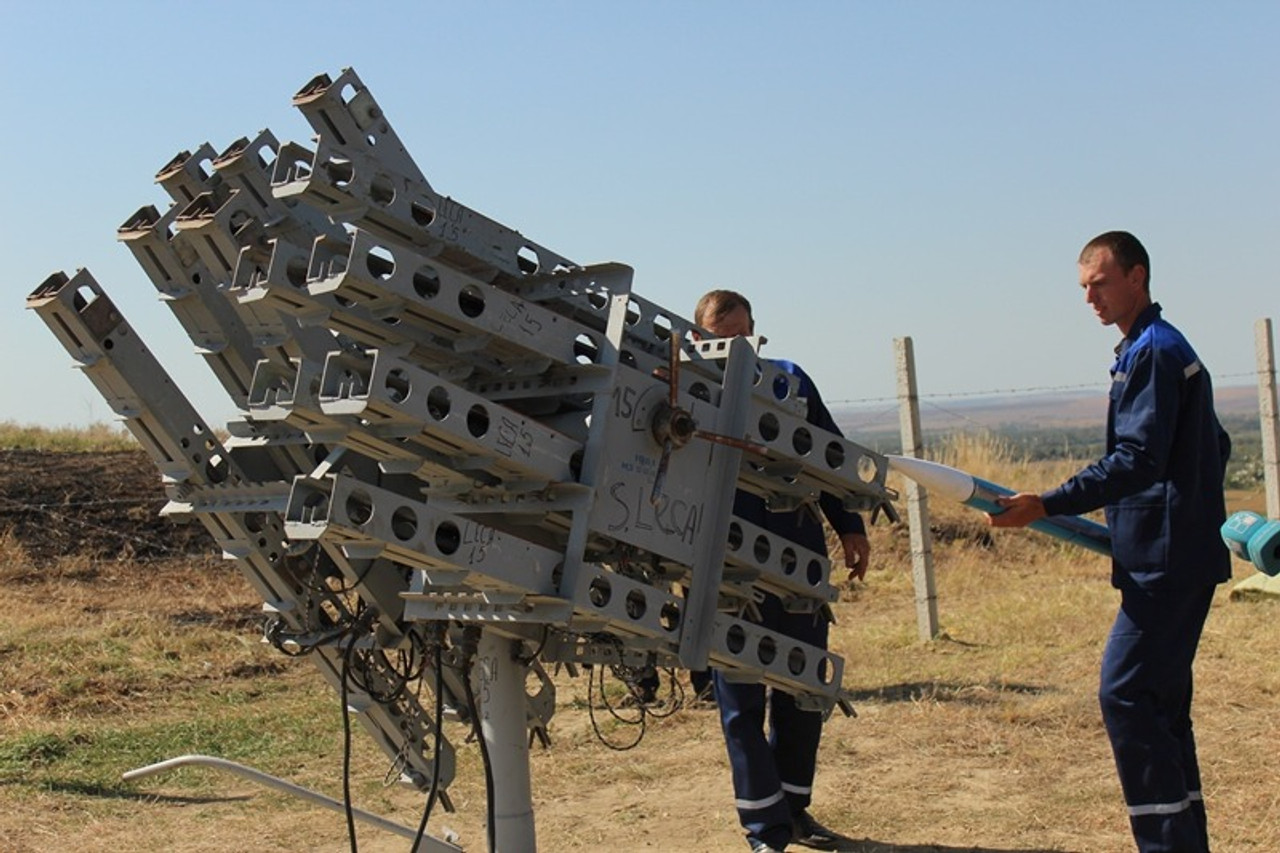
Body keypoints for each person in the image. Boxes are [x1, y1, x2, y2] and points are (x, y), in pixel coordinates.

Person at [988, 231, 1231, 853]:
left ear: (1137, 276)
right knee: (1162, 707)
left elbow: (1136, 460)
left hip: (1165, 565)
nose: (1089, 297)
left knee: (1124, 694)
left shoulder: (1152, 351)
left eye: (1099, 282)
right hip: (1172, 553)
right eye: (1083, 287)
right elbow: (1215, 444)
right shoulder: (1151, 347)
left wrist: (1049, 503)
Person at [694, 289, 869, 853]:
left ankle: (795, 811)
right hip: (728, 566)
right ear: (700, 340)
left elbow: (830, 454)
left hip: (798, 557)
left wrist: (850, 525)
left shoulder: (790, 381)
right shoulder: (688, 392)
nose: (736, 346)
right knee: (740, 700)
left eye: (744, 334)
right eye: (723, 338)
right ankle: (764, 830)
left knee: (802, 684)